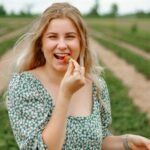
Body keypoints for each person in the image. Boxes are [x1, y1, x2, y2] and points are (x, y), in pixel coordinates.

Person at [6, 2, 150, 150]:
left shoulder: (96, 86)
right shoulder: (24, 85)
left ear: (81, 43)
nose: (62, 45)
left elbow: (97, 141)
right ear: (40, 44)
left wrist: (127, 142)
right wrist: (65, 95)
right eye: (53, 37)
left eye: (70, 37)